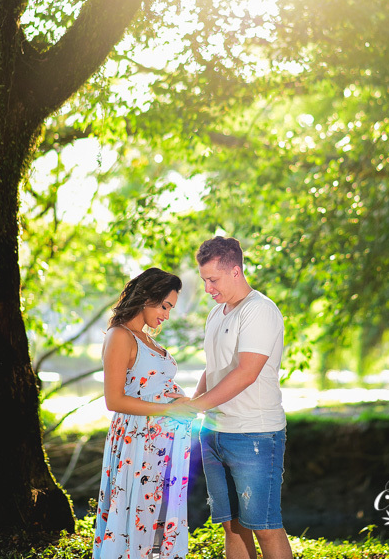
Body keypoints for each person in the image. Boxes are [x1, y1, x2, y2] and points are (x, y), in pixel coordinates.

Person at [189, 236, 293, 559]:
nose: (207, 288)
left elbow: (246, 372)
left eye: (212, 280)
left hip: (254, 435)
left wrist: (195, 406)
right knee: (231, 525)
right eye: (204, 280)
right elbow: (215, 368)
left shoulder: (260, 311)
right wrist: (193, 405)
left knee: (264, 525)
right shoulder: (216, 314)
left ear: (235, 272)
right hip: (215, 433)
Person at [92, 267, 196, 559]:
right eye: (164, 306)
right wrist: (168, 409)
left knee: (155, 515)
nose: (166, 315)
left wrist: (181, 403)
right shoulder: (120, 335)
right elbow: (114, 400)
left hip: (162, 442)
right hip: (135, 440)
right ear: (147, 296)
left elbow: (154, 387)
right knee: (133, 513)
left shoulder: (148, 339)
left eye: (171, 308)